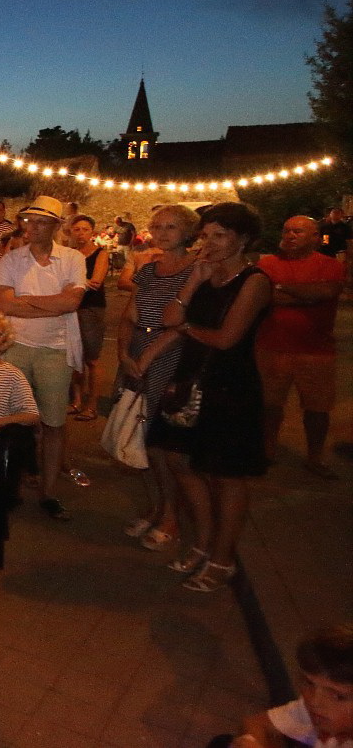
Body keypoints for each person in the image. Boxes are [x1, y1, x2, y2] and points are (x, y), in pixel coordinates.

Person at [153, 202, 272, 593]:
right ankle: (203, 544)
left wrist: (187, 327)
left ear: (243, 239)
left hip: (229, 385)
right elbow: (169, 318)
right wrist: (192, 282)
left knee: (227, 475)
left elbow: (226, 338)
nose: (210, 243)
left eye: (219, 236)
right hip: (191, 379)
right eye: (206, 235)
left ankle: (223, 558)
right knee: (179, 459)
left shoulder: (254, 281)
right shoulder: (205, 275)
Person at [0, 195, 86, 521]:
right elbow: (5, 304)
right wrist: (52, 301)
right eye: (29, 220)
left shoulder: (72, 258)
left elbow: (71, 304)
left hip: (54, 349)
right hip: (16, 345)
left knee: (53, 422)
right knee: (13, 419)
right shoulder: (12, 258)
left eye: (40, 221)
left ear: (55, 226)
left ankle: (49, 491)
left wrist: (26, 301)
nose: (32, 227)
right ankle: (11, 484)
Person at [113, 205, 199, 551]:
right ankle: (158, 507)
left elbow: (184, 324)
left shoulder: (197, 270)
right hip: (137, 355)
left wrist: (148, 356)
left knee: (165, 445)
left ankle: (171, 516)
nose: (163, 233)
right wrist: (123, 353)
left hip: (170, 360)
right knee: (141, 437)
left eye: (172, 227)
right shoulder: (148, 270)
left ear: (188, 231)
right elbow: (130, 313)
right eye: (158, 226)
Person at [256, 215, 345, 478]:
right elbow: (262, 297)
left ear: (316, 238)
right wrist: (305, 294)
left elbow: (326, 293)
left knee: (317, 408)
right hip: (271, 346)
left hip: (316, 350)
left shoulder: (329, 265)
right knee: (270, 405)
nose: (290, 235)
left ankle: (314, 457)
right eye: (286, 230)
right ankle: (267, 451)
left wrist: (281, 288)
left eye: (298, 231)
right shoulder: (266, 264)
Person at [232, 622, 353, 748]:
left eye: (338, 696)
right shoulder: (319, 712)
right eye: (309, 683)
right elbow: (255, 723)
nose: (314, 701)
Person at [68, 215, 110, 422]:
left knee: (92, 358)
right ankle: (76, 400)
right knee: (75, 357)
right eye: (77, 229)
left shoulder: (100, 254)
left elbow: (96, 282)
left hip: (91, 308)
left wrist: (73, 283)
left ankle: (92, 404)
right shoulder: (68, 254)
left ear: (92, 232)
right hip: (71, 308)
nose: (81, 233)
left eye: (85, 229)